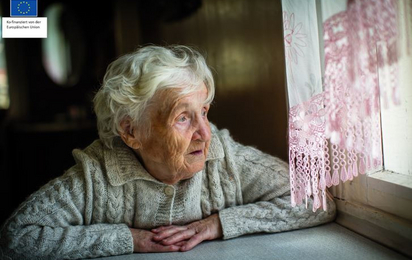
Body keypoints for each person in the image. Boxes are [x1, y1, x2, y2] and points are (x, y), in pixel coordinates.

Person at [0, 45, 336, 259]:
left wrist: (217, 224)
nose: (205, 132)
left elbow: (316, 199)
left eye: (204, 111)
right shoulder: (97, 176)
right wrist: (130, 240)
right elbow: (18, 239)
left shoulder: (222, 156)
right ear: (132, 132)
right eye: (182, 117)